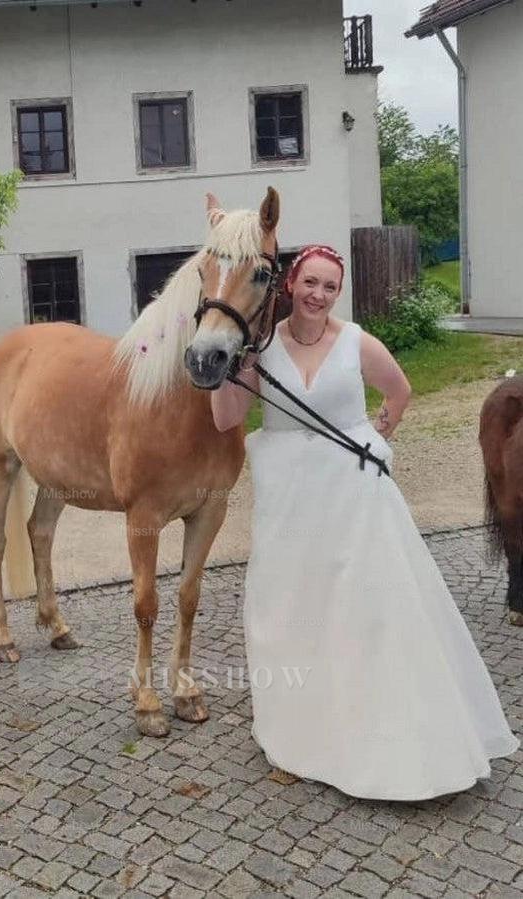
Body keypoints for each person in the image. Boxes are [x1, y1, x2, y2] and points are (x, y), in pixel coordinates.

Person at [210, 244, 519, 801]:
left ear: (338, 292)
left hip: (355, 497)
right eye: (310, 283)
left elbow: (399, 391)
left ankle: (384, 730)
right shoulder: (265, 347)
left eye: (330, 286)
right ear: (290, 284)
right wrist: (229, 368)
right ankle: (300, 732)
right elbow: (226, 417)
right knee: (291, 608)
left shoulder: (357, 342)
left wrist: (378, 436)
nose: (319, 295)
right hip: (289, 502)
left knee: (368, 609)